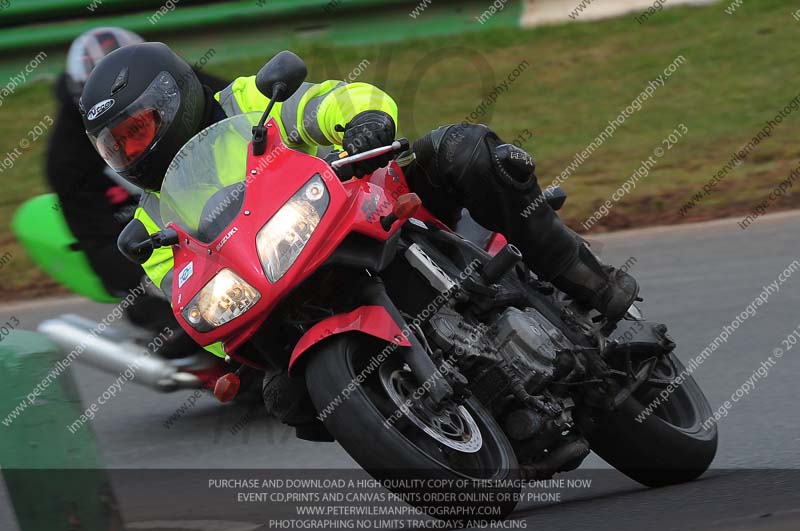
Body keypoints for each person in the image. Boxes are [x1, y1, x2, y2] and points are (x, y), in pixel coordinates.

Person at [79, 43, 638, 431]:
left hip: (363, 201)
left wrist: (362, 121)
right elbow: (192, 299)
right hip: (283, 278)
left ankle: (585, 279)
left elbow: (327, 101)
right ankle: (410, 423)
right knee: (286, 397)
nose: (130, 152)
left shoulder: (246, 103)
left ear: (172, 101)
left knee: (466, 152)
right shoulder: (151, 225)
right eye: (117, 145)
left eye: (137, 131)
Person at [49, 28, 228, 332]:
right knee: (183, 327)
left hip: (228, 208)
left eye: (139, 115)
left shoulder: (183, 84)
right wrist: (150, 278)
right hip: (152, 246)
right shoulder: (67, 161)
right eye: (114, 132)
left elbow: (246, 113)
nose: (129, 133)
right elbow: (99, 245)